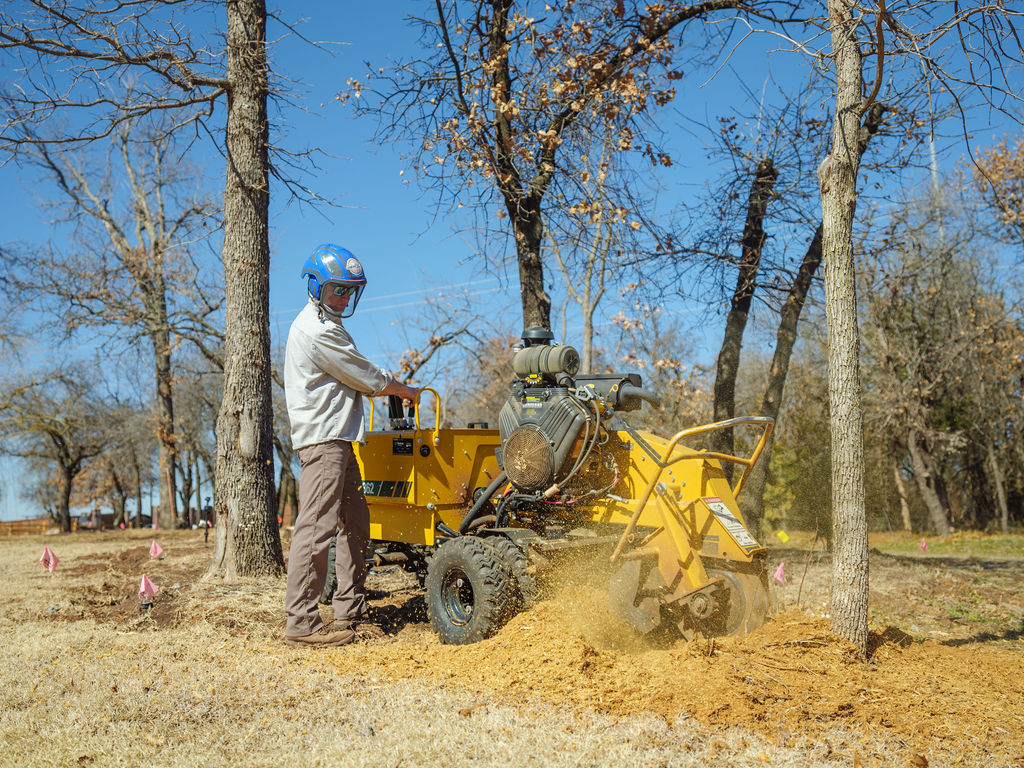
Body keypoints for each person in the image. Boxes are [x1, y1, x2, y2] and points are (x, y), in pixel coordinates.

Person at [282, 244, 419, 648]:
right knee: (317, 526)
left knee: (356, 522)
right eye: (335, 290)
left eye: (349, 291)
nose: (342, 298)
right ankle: (302, 622)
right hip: (324, 442)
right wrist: (404, 390)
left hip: (341, 439)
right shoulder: (317, 330)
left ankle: (351, 607)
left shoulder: (330, 323)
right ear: (315, 287)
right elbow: (366, 376)